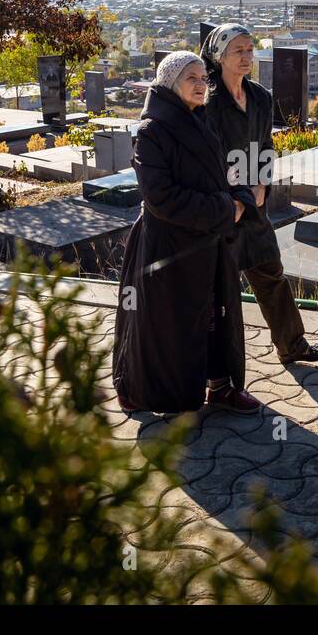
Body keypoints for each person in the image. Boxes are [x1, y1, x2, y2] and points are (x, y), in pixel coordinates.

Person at [111, 52, 263, 414]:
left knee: (216, 315)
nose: (200, 84)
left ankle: (221, 386)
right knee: (165, 325)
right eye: (189, 78)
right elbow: (163, 199)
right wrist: (226, 210)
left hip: (208, 242)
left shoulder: (201, 120)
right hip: (169, 246)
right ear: (169, 84)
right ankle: (142, 388)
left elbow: (220, 175)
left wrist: (240, 197)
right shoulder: (153, 132)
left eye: (203, 78)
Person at [200, 23, 318, 365]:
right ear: (219, 57)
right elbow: (207, 158)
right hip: (223, 208)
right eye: (238, 51)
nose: (246, 56)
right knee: (217, 291)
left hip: (253, 204)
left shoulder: (259, 96)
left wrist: (262, 185)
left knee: (270, 272)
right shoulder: (208, 104)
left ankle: (292, 345)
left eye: (249, 49)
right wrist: (233, 198)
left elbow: (267, 147)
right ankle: (216, 364)